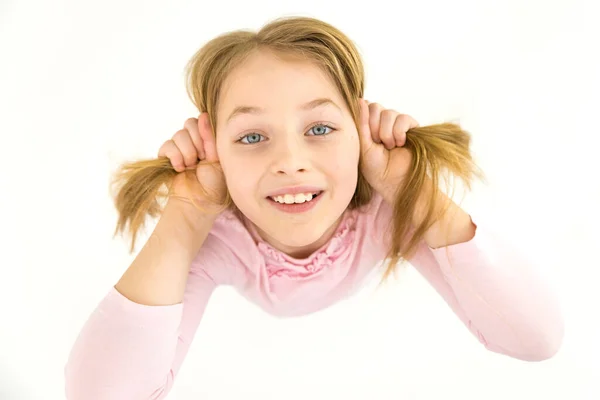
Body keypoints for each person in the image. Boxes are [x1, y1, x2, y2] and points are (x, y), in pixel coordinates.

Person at [64, 15, 564, 400]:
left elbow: (536, 339)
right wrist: (186, 215)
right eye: (252, 136)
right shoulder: (216, 239)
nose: (290, 162)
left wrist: (414, 190)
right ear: (216, 150)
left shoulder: (387, 214)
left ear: (360, 132)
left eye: (320, 129)